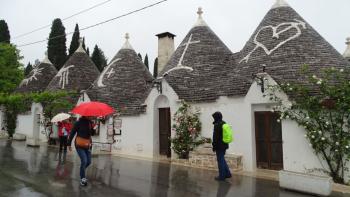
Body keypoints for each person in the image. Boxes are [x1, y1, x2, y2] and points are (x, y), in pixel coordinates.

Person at [68, 116, 94, 186]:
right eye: (90, 115)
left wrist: (93, 127)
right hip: (79, 144)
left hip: (87, 144)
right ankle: (82, 178)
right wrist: (69, 144)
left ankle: (81, 171)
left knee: (89, 162)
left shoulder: (89, 123)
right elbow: (72, 133)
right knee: (84, 161)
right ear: (86, 115)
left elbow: (92, 134)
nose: (92, 116)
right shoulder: (78, 123)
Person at [212, 111, 232, 181]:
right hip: (224, 145)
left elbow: (215, 137)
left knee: (220, 160)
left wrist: (214, 146)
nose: (213, 119)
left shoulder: (217, 125)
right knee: (222, 159)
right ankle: (227, 173)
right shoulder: (224, 123)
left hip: (219, 146)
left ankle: (222, 176)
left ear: (216, 117)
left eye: (214, 117)